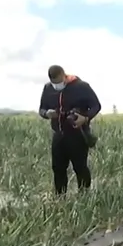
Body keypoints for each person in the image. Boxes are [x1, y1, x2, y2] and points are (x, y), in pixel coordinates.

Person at [38, 65, 101, 195]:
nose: (56, 86)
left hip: (77, 134)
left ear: (64, 75)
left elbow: (96, 105)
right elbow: (41, 109)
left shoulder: (81, 86)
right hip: (58, 135)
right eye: (53, 83)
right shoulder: (48, 88)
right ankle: (60, 198)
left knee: (80, 167)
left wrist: (85, 118)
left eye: (58, 82)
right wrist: (47, 114)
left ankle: (85, 197)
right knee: (58, 168)